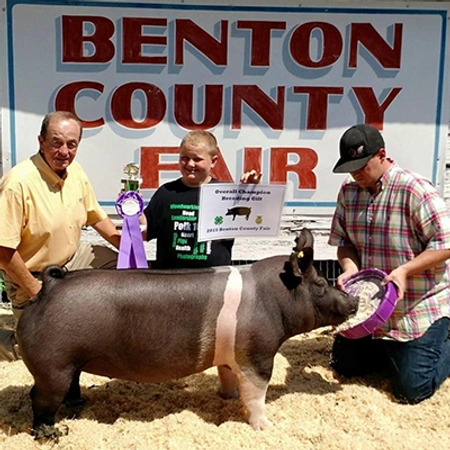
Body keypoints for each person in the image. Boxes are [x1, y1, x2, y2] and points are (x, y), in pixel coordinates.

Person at [328, 123, 450, 404]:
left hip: (417, 305)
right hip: (371, 306)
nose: (356, 173)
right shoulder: (348, 191)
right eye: (350, 166)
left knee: (412, 389)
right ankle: (391, 351)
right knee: (343, 366)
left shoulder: (415, 189)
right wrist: (350, 268)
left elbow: (445, 243)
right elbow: (343, 241)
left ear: (382, 155)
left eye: (361, 165)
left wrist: (406, 270)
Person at [0, 111, 121, 361]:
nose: (64, 151)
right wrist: (36, 291)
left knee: (122, 267)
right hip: (32, 274)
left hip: (72, 260)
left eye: (71, 144)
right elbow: (3, 251)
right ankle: (7, 343)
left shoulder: (75, 171)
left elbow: (95, 216)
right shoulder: (17, 184)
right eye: (56, 142)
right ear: (41, 141)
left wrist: (130, 247)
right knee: (46, 348)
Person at [142, 130, 261, 269]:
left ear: (213, 161)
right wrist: (132, 209)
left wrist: (250, 191)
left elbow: (253, 219)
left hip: (214, 282)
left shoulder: (225, 194)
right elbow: (144, 232)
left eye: (197, 159)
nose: (190, 164)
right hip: (171, 282)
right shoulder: (166, 193)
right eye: (184, 158)